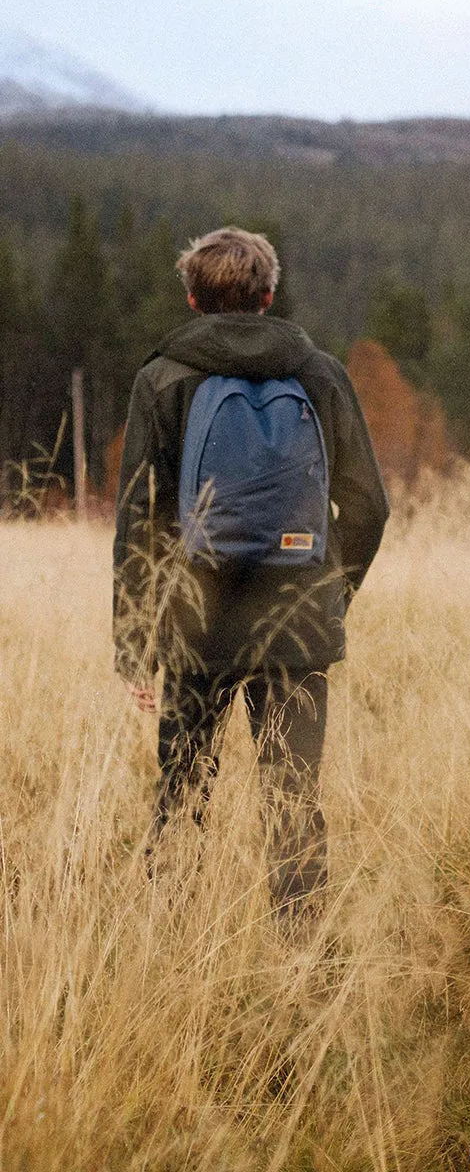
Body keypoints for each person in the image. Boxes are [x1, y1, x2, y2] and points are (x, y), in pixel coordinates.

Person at [113, 226, 389, 921]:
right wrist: (331, 594)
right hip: (295, 624)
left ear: (193, 296)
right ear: (269, 295)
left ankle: (171, 957)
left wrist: (134, 642)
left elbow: (139, 519)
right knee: (293, 799)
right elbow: (368, 506)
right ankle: (302, 968)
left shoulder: (164, 377)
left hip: (193, 622)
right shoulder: (319, 373)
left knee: (180, 798)